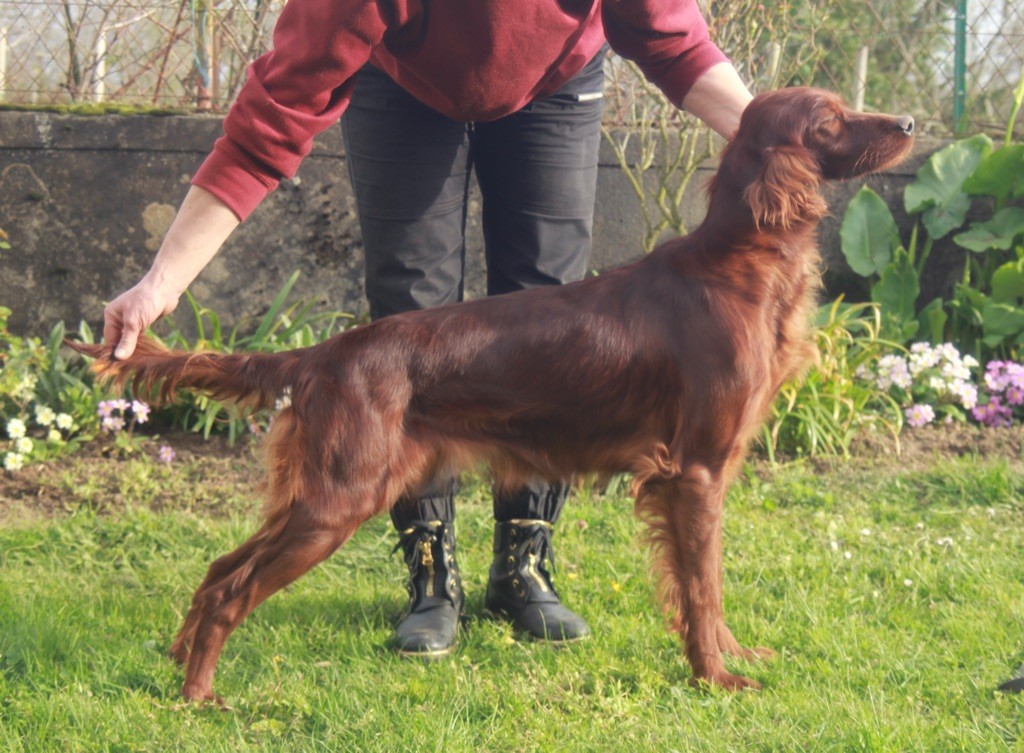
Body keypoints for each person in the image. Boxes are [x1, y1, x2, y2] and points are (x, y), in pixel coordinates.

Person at [100, 0, 753, 658]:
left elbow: (677, 42)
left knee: (549, 309)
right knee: (409, 318)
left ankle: (524, 561)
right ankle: (431, 576)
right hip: (401, 83)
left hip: (559, 78)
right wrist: (163, 280)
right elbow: (271, 118)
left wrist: (778, 138)